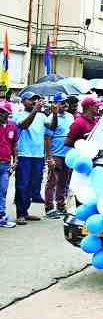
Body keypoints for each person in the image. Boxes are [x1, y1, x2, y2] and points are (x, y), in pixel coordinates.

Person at [13, 92, 58, 223]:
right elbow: (24, 125)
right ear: (23, 101)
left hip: (38, 155)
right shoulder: (18, 115)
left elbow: (52, 127)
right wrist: (35, 110)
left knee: (34, 185)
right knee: (22, 185)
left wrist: (54, 114)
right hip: (24, 155)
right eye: (31, 100)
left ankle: (25, 212)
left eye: (36, 99)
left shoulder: (42, 116)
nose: (34, 102)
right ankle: (20, 213)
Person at [43, 95, 78, 218]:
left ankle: (60, 205)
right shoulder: (50, 118)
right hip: (56, 154)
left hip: (68, 155)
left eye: (66, 102)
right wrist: (49, 157)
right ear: (55, 104)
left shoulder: (70, 116)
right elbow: (47, 138)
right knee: (52, 181)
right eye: (62, 103)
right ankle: (49, 207)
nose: (65, 105)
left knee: (64, 181)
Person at [0, 104, 18, 228]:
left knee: (3, 190)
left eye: (3, 112)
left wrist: (16, 160)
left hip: (5, 164)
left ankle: (1, 216)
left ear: (9, 113)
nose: (1, 114)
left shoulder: (12, 126)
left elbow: (15, 145)